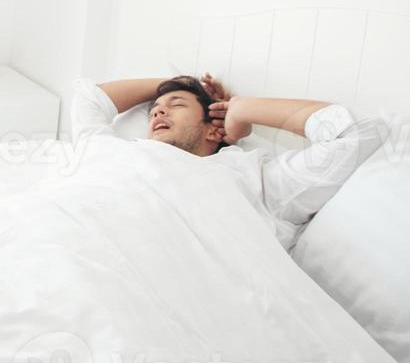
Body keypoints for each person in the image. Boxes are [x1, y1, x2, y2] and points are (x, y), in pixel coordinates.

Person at [67, 73, 384, 247]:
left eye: (175, 105)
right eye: (154, 110)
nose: (158, 112)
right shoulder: (115, 151)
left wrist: (243, 110)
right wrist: (182, 81)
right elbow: (88, 97)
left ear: (213, 130)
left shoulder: (250, 180)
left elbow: (355, 134)